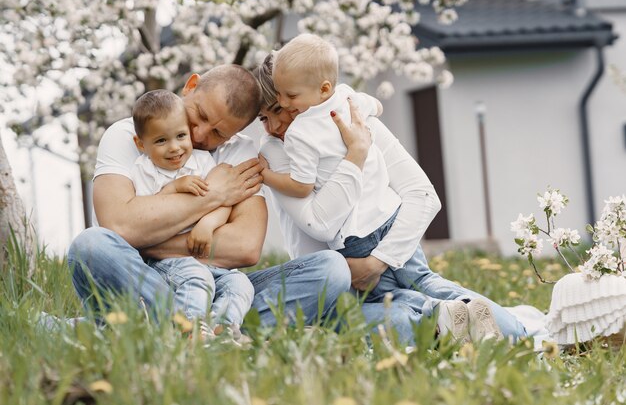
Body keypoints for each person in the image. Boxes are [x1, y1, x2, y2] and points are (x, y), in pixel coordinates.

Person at [254, 48, 528, 344]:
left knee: (504, 328)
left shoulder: (354, 122)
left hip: (391, 256)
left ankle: (508, 332)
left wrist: (378, 261)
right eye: (263, 118)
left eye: (281, 108)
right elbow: (321, 225)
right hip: (334, 286)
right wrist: (356, 156)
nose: (274, 127)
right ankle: (444, 321)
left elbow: (422, 195)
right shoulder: (276, 153)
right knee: (398, 317)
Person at [68, 65, 351, 339]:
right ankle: (206, 334)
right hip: (145, 277)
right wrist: (216, 195)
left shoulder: (240, 151)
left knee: (332, 269)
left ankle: (170, 330)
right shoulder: (131, 135)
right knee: (92, 246)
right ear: (190, 87)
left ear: (235, 134)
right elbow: (117, 224)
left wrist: (143, 237)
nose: (200, 135)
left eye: (219, 134)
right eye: (200, 115)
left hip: (218, 286)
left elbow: (245, 247)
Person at [128, 89, 254, 337]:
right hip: (166, 263)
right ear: (141, 144)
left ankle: (221, 330)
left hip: (210, 262)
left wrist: (207, 224)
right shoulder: (143, 170)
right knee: (197, 277)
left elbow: (224, 202)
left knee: (240, 284)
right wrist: (174, 187)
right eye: (161, 141)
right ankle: (187, 332)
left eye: (181, 136)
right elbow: (146, 215)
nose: (174, 148)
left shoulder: (202, 161)